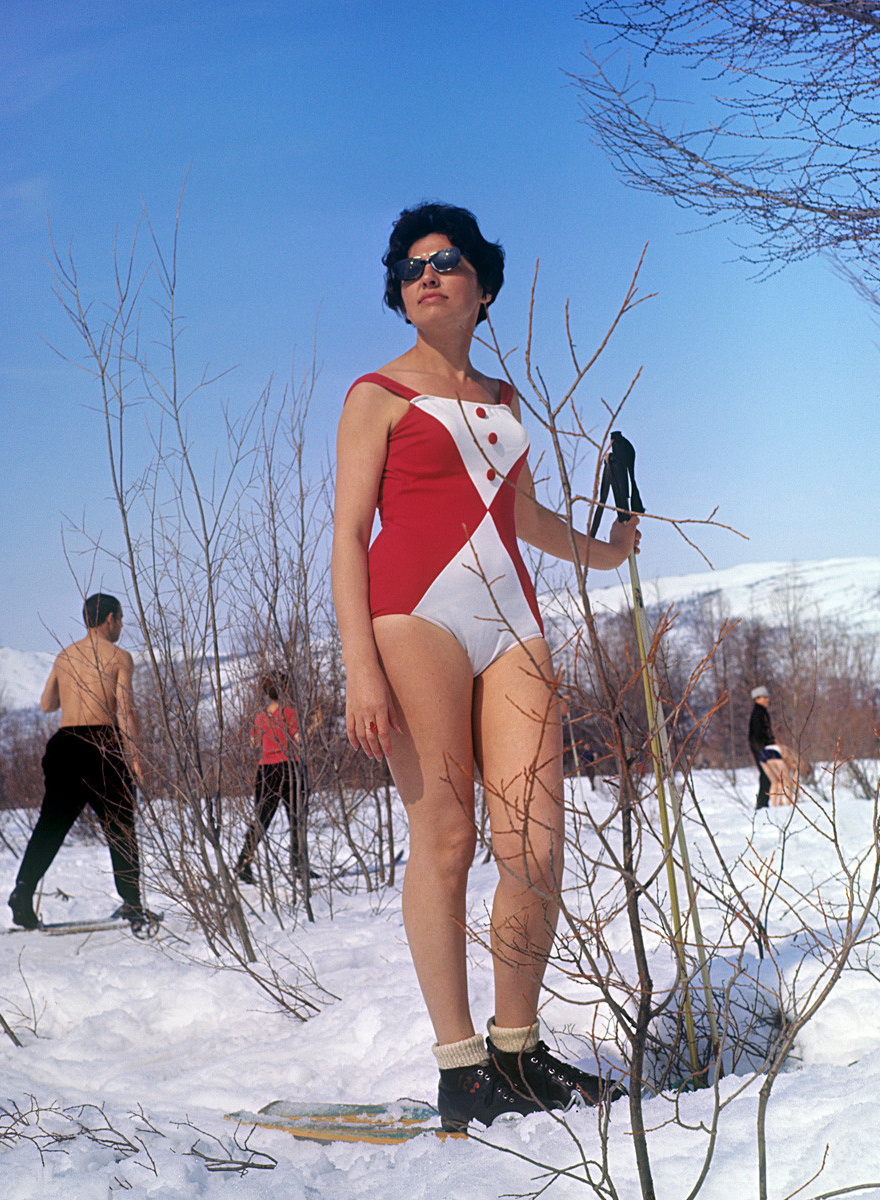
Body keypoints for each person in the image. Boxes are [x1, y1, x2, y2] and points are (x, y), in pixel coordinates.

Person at [331, 203, 640, 1133]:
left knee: (536, 846)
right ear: (400, 292)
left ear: (484, 287)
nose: (429, 273)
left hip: (512, 619)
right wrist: (359, 667)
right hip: (412, 616)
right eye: (413, 265)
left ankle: (518, 1049)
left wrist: (604, 551)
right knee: (448, 840)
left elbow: (523, 522)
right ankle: (461, 1065)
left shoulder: (506, 403)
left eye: (449, 261)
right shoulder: (375, 394)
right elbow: (348, 534)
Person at [8, 594, 155, 932]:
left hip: (65, 745)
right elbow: (126, 710)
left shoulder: (65, 656)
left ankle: (22, 890)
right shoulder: (119, 656)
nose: (121, 626)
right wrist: (136, 756)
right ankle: (132, 902)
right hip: (102, 744)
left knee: (51, 826)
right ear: (109, 620)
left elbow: (47, 704)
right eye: (120, 619)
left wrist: (73, 691)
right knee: (120, 826)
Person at [235, 671, 312, 885]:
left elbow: (254, 744)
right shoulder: (290, 712)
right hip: (289, 767)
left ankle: (243, 862)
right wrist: (315, 725)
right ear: (285, 689)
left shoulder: (260, 716)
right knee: (297, 818)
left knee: (262, 820)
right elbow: (298, 738)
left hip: (266, 771)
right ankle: (299, 866)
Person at [747, 686, 774, 809]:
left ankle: (763, 803)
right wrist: (766, 747)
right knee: (766, 774)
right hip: (761, 749)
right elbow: (758, 734)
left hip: (762, 748)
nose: (767, 699)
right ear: (757, 699)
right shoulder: (758, 713)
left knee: (766, 775)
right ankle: (762, 804)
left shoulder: (761, 711)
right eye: (765, 697)